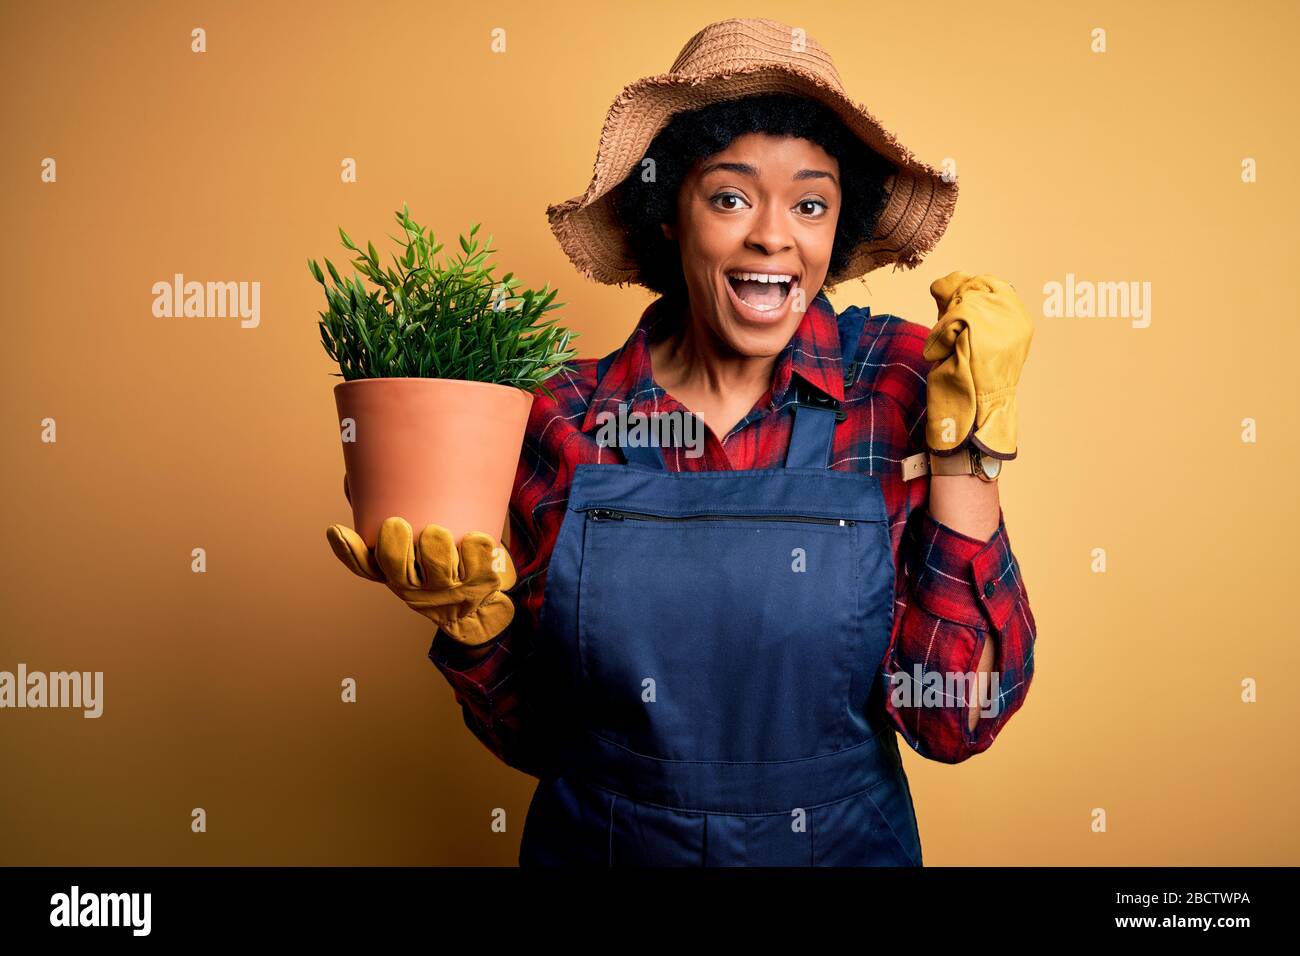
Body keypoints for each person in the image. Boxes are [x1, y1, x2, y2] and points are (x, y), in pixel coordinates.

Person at [327, 16, 1038, 866]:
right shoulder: (565, 414)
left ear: (837, 227)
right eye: (731, 197)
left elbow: (954, 719)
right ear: (671, 213)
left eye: (810, 203)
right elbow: (540, 742)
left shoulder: (893, 382)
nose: (774, 235)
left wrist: (969, 454)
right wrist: (477, 634)